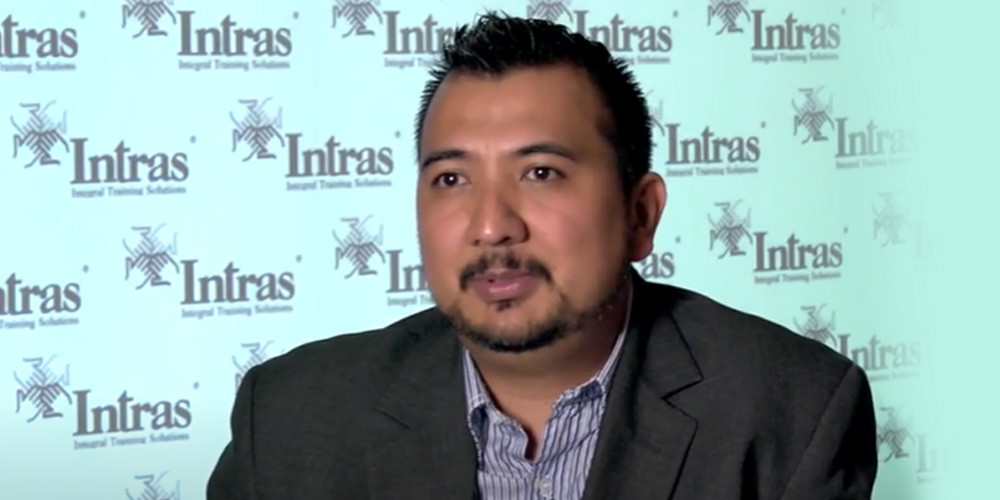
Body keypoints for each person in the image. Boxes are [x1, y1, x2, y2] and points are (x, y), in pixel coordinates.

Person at [207, 13, 877, 500]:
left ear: (640, 214)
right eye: (451, 178)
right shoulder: (291, 419)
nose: (491, 227)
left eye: (541, 173)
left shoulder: (792, 411)